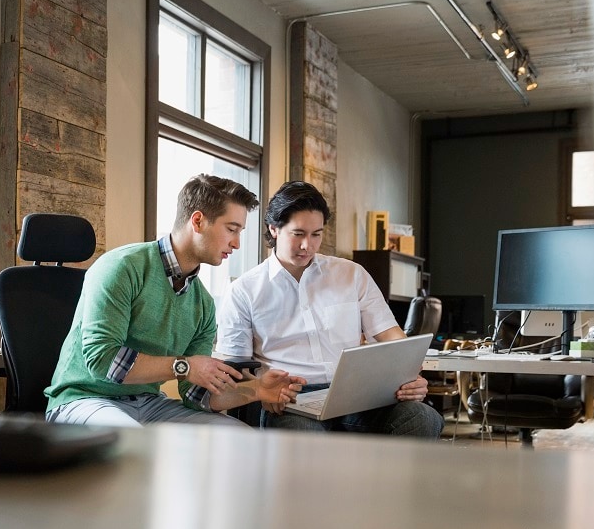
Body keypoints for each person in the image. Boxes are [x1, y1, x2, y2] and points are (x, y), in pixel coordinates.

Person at [45, 174, 304, 427]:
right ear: (198, 221)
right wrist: (184, 366)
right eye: (231, 229)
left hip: (148, 403)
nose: (236, 243)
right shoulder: (122, 268)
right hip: (83, 400)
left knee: (239, 437)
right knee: (133, 443)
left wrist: (257, 390)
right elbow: (102, 361)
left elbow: (195, 394)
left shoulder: (202, 303)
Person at [215, 181, 444, 438]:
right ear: (274, 229)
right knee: (304, 437)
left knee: (423, 419)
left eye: (316, 234)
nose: (308, 246)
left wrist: (411, 375)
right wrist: (260, 389)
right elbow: (234, 369)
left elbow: (391, 336)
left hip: (355, 394)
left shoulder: (351, 274)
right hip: (290, 399)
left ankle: (387, 480)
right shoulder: (245, 290)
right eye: (298, 234)